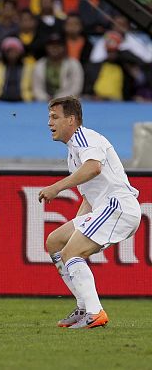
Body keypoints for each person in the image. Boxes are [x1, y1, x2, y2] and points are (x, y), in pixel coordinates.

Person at [40, 96, 141, 329]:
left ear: (71, 120)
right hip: (106, 208)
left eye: (55, 117)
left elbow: (94, 168)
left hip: (118, 207)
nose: (49, 123)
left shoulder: (86, 138)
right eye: (49, 117)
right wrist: (78, 226)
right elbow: (89, 197)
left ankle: (94, 312)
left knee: (71, 253)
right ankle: (84, 306)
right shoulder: (73, 151)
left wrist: (57, 187)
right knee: (55, 242)